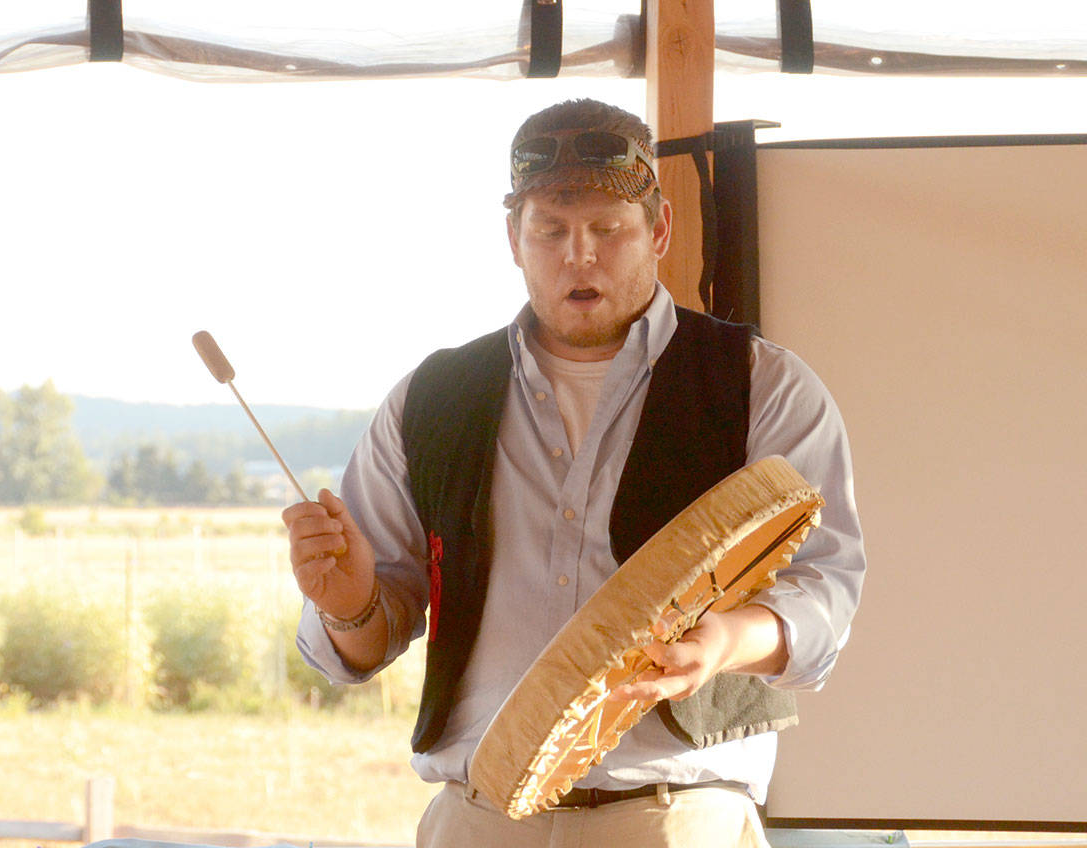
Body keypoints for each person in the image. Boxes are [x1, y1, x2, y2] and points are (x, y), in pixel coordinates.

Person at [282, 98, 864, 848]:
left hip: (676, 817)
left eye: (607, 230)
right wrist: (348, 604)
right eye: (550, 231)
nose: (578, 256)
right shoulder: (433, 397)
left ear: (659, 230)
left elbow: (824, 588)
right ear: (513, 240)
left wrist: (723, 643)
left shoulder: (762, 384)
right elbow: (365, 638)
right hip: (477, 819)